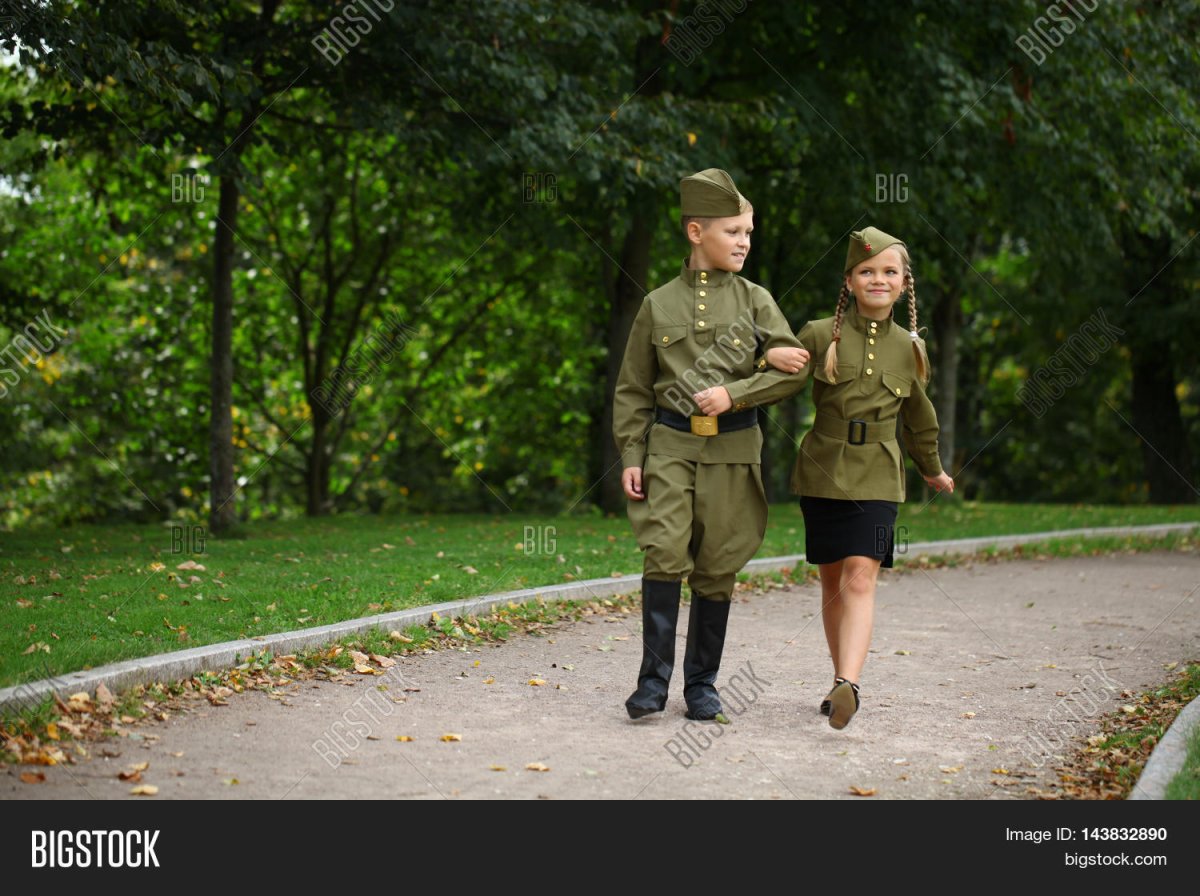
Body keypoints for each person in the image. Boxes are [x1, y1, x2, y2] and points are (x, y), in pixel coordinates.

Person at [613, 168, 810, 723]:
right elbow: (631, 389)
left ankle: (702, 687)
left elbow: (795, 369)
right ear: (696, 232)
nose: (745, 242)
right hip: (670, 446)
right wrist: (632, 455)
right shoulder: (657, 303)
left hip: (733, 450)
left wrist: (737, 392)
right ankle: (652, 684)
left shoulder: (756, 300)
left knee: (717, 565)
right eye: (734, 232)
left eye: (749, 232)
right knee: (664, 553)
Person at [765, 226, 954, 729]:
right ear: (849, 281)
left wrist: (931, 469)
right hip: (822, 470)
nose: (878, 279)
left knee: (859, 575)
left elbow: (919, 417)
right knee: (831, 580)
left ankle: (849, 683)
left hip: (879, 474)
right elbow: (774, 382)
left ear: (903, 283)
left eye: (889, 272)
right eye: (867, 271)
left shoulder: (910, 349)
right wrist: (741, 385)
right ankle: (837, 681)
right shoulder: (817, 332)